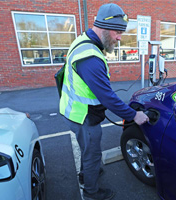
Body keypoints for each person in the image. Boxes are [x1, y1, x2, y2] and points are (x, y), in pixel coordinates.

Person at [59, 3, 149, 200]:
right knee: (92, 154)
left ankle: (86, 174)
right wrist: (135, 115)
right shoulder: (90, 57)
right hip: (83, 116)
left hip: (73, 110)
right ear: (103, 27)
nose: (119, 37)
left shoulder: (84, 41)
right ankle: (91, 192)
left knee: (86, 150)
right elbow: (108, 98)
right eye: (117, 31)